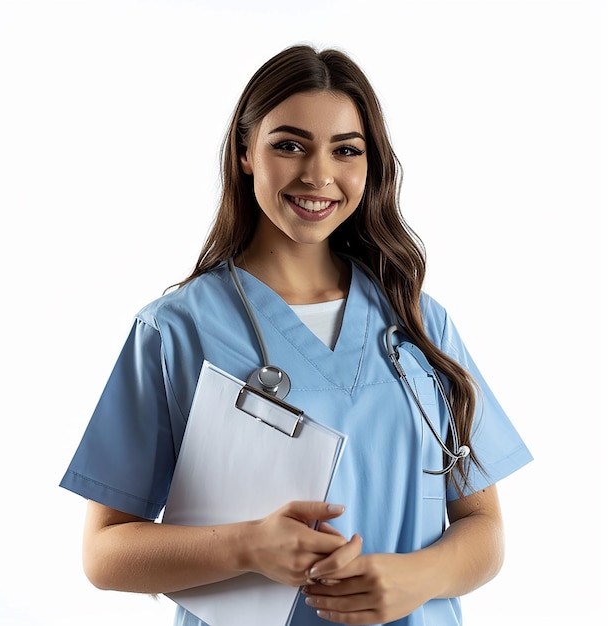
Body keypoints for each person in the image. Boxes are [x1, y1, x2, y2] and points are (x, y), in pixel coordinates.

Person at [60, 44, 532, 626]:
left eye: (346, 150)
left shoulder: (417, 323)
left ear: (370, 165)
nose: (319, 175)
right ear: (244, 154)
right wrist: (246, 547)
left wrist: (417, 579)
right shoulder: (176, 331)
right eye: (289, 145)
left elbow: (484, 530)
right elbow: (104, 554)